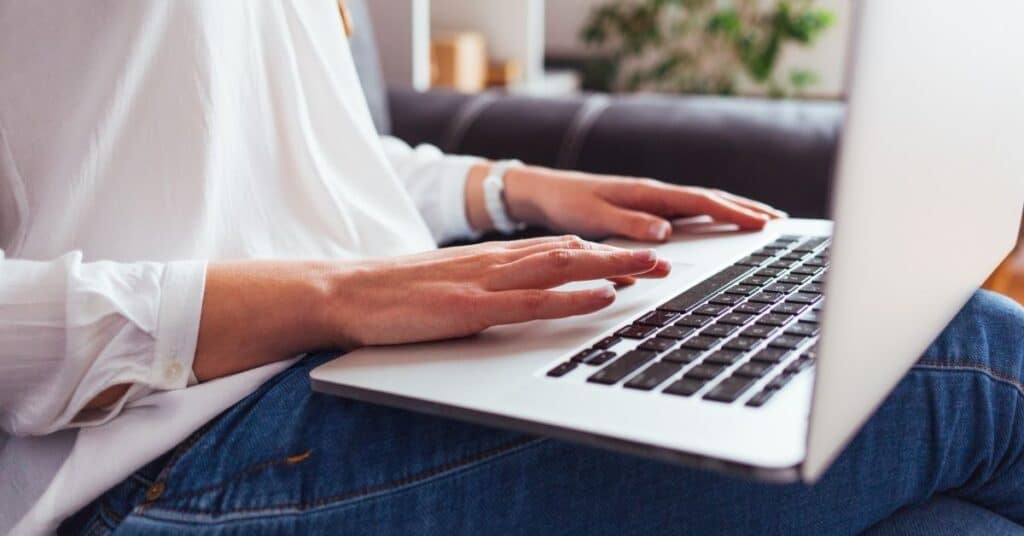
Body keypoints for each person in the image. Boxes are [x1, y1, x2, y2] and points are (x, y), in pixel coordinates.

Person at [0, 3, 1021, 535]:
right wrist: (330, 294)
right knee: (980, 360)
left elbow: (280, 155)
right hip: (159, 453)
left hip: (365, 358)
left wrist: (512, 187)